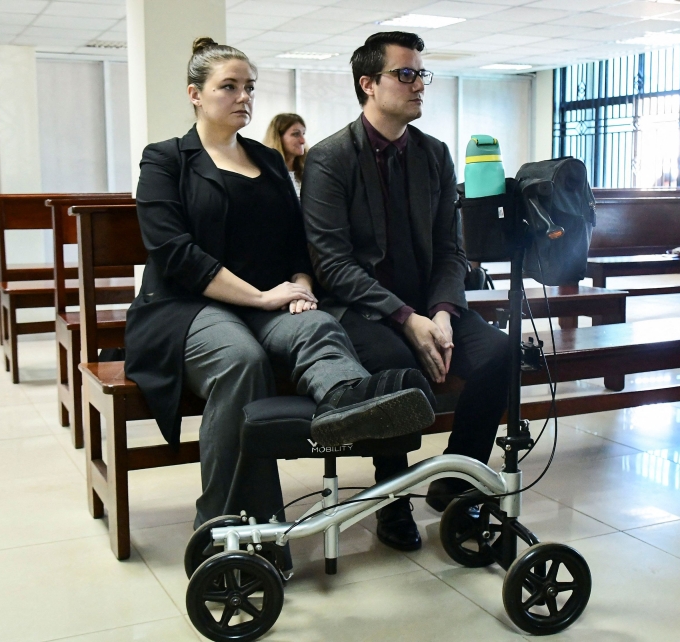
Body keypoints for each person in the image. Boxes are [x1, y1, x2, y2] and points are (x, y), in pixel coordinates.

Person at [123, 38, 435, 543]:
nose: (243, 96)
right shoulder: (165, 160)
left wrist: (302, 287)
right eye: (229, 87)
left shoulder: (268, 161)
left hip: (266, 303)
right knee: (241, 360)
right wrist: (263, 297)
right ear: (195, 94)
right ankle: (226, 525)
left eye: (249, 87)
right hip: (186, 307)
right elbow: (175, 253)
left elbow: (298, 243)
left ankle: (348, 403)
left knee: (317, 325)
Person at [300, 31, 510, 552]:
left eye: (421, 74)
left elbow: (451, 251)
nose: (419, 85)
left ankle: (457, 480)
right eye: (406, 74)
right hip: (362, 309)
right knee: (397, 367)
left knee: (500, 355)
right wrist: (405, 318)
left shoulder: (434, 154)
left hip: (429, 305)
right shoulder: (329, 159)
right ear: (368, 84)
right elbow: (332, 265)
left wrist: (440, 313)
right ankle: (391, 499)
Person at [263, 113, 307, 195]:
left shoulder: (308, 170)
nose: (303, 141)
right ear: (278, 138)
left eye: (303, 134)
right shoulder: (265, 173)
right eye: (296, 134)